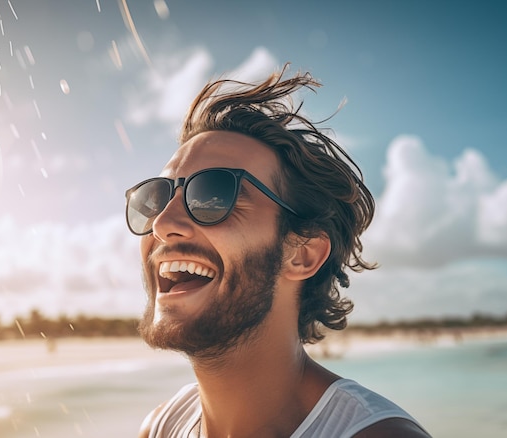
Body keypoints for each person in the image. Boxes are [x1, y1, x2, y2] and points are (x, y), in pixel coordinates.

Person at [126, 65, 431, 437]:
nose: (161, 223)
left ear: (302, 254)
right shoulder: (161, 428)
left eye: (213, 194)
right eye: (155, 198)